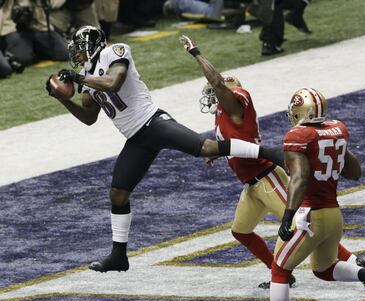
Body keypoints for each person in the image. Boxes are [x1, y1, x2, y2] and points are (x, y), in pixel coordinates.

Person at [45, 25, 281, 273]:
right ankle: (118, 255)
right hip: (136, 138)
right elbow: (89, 117)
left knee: (207, 148)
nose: (77, 55)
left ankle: (269, 153)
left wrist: (80, 79)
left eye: (80, 49)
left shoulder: (113, 52)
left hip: (152, 122)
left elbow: (114, 82)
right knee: (118, 193)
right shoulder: (87, 77)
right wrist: (63, 99)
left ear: (92, 46)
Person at [179, 35, 365, 294]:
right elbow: (235, 142)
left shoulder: (237, 103)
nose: (212, 97)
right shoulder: (228, 113)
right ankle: (280, 273)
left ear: (229, 93)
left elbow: (217, 83)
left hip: (268, 179)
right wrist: (218, 154)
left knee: (305, 226)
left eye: (216, 93)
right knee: (241, 231)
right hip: (252, 185)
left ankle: (356, 263)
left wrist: (195, 52)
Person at [270, 88, 365, 301]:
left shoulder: (298, 135)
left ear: (301, 111)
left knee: (279, 268)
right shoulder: (337, 130)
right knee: (324, 269)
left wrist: (287, 216)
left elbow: (300, 178)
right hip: (333, 215)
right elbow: (354, 172)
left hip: (310, 216)